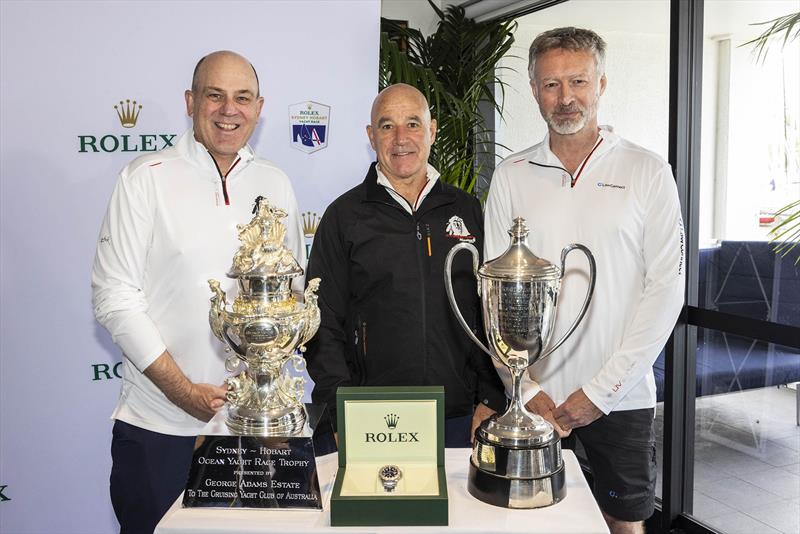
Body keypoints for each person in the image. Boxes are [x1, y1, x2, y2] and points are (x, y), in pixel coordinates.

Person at [92, 51, 304, 534]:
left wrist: (271, 399)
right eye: (215, 95)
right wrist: (184, 392)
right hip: (161, 428)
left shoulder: (276, 183)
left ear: (259, 107)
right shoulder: (145, 178)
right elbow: (114, 296)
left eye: (242, 98)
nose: (229, 110)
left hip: (255, 431)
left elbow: (289, 296)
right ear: (191, 102)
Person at [484, 28, 684, 534]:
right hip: (532, 400)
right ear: (533, 89)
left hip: (619, 396)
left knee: (625, 523)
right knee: (527, 522)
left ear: (601, 83)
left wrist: (599, 393)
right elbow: (491, 298)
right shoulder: (511, 174)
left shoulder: (648, 172)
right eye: (551, 84)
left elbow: (666, 291)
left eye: (578, 81)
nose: (565, 97)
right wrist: (528, 390)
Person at [305, 83, 506, 449]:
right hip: (373, 416)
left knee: (460, 509)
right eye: (387, 126)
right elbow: (322, 321)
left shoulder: (467, 210)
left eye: (413, 124)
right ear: (371, 135)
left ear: (432, 130)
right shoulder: (344, 217)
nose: (401, 138)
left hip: (460, 415)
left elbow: (489, 312)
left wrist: (492, 396)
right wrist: (339, 408)